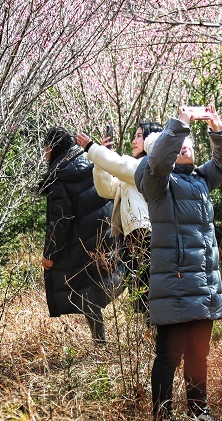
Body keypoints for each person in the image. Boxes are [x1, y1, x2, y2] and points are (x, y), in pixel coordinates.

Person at [135, 106, 222, 421]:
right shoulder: (155, 181)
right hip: (176, 283)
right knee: (168, 356)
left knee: (199, 353)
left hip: (204, 284)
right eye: (178, 143)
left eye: (189, 140)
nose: (185, 145)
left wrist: (219, 129)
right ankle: (162, 414)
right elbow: (158, 163)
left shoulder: (201, 179)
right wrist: (179, 124)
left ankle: (198, 409)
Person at [38, 126, 122, 344]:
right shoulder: (88, 159)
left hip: (81, 243)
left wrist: (50, 254)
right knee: (101, 283)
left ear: (53, 148)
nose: (45, 153)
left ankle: (100, 342)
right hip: (103, 234)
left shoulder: (58, 177)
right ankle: (110, 339)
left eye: (46, 148)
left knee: (86, 291)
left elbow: (61, 220)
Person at [76, 122, 163, 315]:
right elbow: (105, 188)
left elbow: (120, 165)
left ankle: (155, 336)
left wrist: (93, 149)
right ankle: (147, 337)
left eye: (139, 136)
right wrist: (100, 163)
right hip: (133, 238)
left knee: (148, 293)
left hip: (147, 236)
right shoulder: (133, 173)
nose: (134, 140)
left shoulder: (148, 166)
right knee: (140, 294)